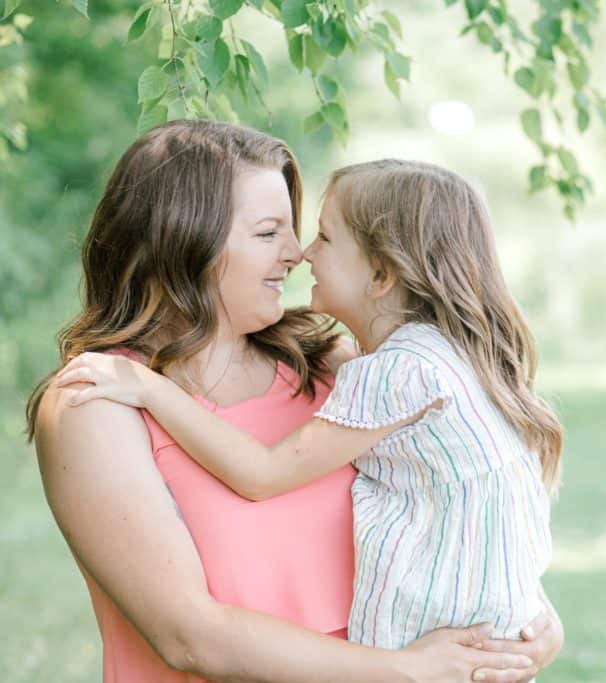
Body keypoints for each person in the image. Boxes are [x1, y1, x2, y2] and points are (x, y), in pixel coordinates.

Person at [27, 121, 562, 682]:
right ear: (181, 242)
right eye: (266, 234)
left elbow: (452, 504)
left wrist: (526, 628)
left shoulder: (331, 363)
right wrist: (407, 672)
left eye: (301, 232)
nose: (296, 254)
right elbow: (190, 637)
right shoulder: (97, 403)